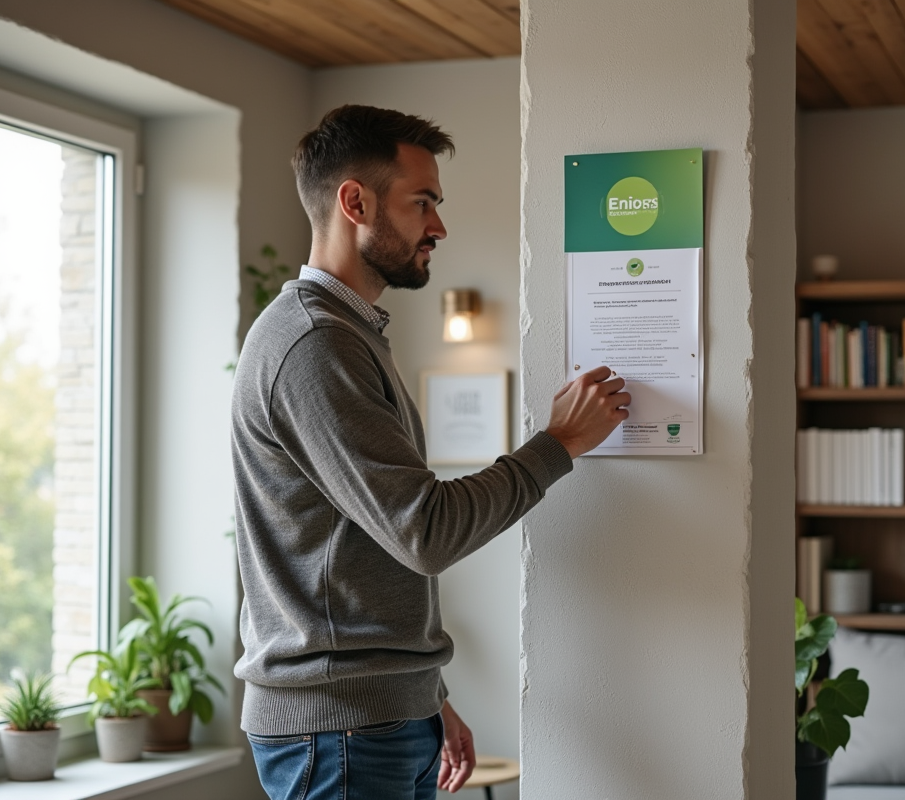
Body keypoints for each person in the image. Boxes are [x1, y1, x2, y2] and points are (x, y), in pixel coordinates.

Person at [231, 105, 630, 800]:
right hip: (341, 734)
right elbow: (424, 530)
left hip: (378, 720)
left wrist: (428, 696)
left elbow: (369, 548)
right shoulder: (314, 346)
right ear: (354, 201)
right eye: (423, 203)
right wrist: (558, 444)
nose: (438, 226)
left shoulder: (348, 338)